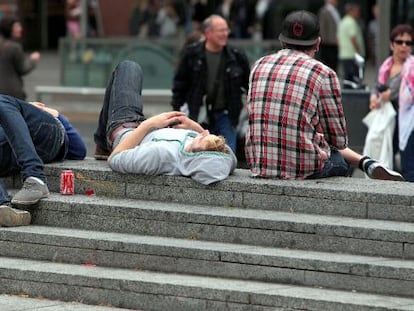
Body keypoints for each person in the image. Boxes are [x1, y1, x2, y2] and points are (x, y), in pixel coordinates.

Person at [245, 10, 404, 182]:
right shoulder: (322, 73)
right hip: (302, 168)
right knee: (339, 160)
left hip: (258, 164)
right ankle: (365, 162)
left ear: (282, 41)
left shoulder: (258, 65)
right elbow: (338, 140)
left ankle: (366, 162)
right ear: (318, 43)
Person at [94, 60, 237, 185]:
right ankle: (101, 143)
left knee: (128, 67)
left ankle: (103, 142)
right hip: (148, 130)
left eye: (203, 138)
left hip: (128, 130)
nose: (205, 132)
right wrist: (195, 128)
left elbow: (115, 159)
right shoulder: (213, 159)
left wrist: (148, 124)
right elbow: (229, 158)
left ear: (195, 154)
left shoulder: (159, 156)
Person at [0, 95, 87, 227]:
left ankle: (35, 177)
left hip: (44, 136)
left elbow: (79, 150)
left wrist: (56, 114)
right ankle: (5, 209)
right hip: (11, 156)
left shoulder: (15, 109)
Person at [171, 14, 250, 154]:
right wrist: (178, 112)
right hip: (197, 113)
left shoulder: (236, 56)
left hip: (227, 115)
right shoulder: (192, 54)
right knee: (196, 152)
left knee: (228, 153)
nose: (225, 34)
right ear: (208, 33)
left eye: (226, 30)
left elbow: (248, 85)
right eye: (221, 30)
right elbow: (180, 85)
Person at [369, 24, 414, 181]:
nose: (404, 46)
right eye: (400, 41)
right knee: (385, 157)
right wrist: (375, 97)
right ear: (391, 44)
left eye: (408, 43)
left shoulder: (412, 66)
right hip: (388, 118)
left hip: (408, 120)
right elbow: (378, 87)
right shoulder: (386, 66)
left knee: (408, 161)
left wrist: (388, 95)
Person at [0, 16, 41, 100]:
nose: (20, 29)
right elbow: (23, 69)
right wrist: (33, 60)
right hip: (12, 92)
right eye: (17, 26)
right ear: (9, 28)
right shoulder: (14, 47)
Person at [337, 3, 365, 83]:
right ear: (352, 11)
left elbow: (338, 39)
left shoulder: (342, 21)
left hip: (344, 54)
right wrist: (359, 51)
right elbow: (353, 38)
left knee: (347, 79)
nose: (358, 13)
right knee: (355, 78)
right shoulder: (351, 22)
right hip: (353, 55)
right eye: (357, 11)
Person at [318, 0, 341, 71]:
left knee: (334, 63)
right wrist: (324, 40)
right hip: (328, 43)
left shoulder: (334, 10)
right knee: (328, 63)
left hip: (334, 42)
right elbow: (322, 27)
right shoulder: (324, 11)